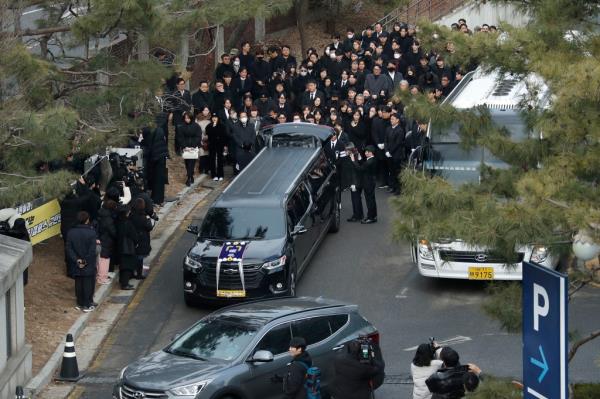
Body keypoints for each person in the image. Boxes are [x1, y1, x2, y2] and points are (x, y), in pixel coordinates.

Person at [66, 211, 97, 312]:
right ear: (87, 220)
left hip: (76, 262)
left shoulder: (71, 232)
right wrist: (85, 261)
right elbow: (92, 250)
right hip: (88, 262)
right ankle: (87, 304)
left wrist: (77, 260)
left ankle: (80, 302)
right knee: (88, 282)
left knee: (78, 282)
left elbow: (69, 248)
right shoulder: (92, 233)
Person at [350, 145, 378, 224]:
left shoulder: (370, 161)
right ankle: (373, 216)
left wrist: (353, 161)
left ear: (371, 153)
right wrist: (360, 158)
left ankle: (371, 217)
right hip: (371, 182)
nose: (365, 153)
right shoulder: (371, 160)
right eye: (365, 152)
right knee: (371, 199)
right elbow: (364, 165)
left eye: (367, 152)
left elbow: (360, 168)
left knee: (369, 200)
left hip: (368, 183)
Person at [130, 197, 153, 280]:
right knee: (140, 257)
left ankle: (132, 272)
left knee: (134, 255)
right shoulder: (144, 217)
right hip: (142, 238)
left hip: (133, 237)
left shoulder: (131, 215)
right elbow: (149, 227)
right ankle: (139, 274)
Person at [116, 206, 139, 290]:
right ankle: (125, 284)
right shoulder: (128, 223)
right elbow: (134, 235)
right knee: (127, 266)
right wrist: (136, 242)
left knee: (122, 265)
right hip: (127, 247)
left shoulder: (118, 222)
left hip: (119, 246)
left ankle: (122, 281)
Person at [97, 199, 118, 285]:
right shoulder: (108, 219)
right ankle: (102, 278)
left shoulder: (100, 214)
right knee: (104, 260)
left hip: (101, 238)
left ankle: (101, 276)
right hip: (106, 240)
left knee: (101, 259)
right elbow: (112, 231)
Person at [178, 111, 201, 186]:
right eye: (185, 118)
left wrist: (193, 146)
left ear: (191, 118)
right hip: (186, 147)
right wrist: (185, 146)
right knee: (187, 163)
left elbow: (198, 136)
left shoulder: (196, 126)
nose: (187, 120)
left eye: (188, 118)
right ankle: (190, 176)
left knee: (192, 162)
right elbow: (180, 137)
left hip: (193, 147)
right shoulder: (182, 126)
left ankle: (189, 177)